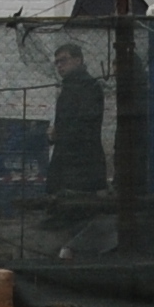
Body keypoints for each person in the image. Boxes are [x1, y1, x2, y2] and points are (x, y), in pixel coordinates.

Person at [45, 39, 109, 202]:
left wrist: (59, 133)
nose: (60, 66)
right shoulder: (69, 87)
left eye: (64, 60)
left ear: (78, 60)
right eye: (57, 62)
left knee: (79, 207)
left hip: (83, 161)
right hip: (67, 159)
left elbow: (86, 124)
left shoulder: (89, 87)